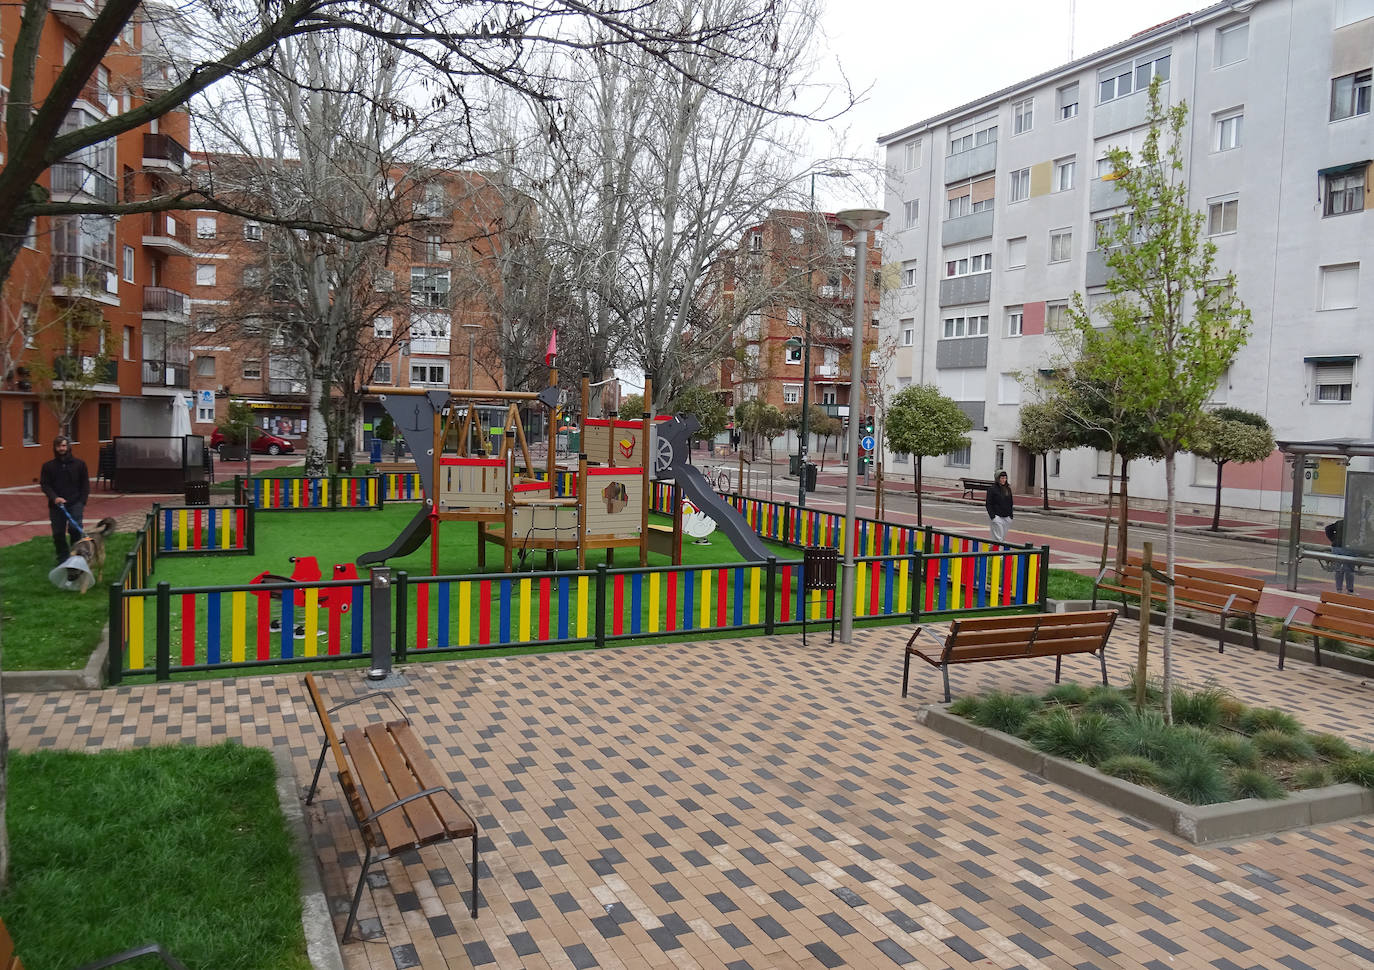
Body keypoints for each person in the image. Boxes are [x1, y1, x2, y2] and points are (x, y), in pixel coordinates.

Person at [40, 434, 90, 564]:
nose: (61, 448)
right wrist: (55, 498)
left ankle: (76, 557)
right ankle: (62, 558)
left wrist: (81, 502)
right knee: (58, 534)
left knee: (75, 530)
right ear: (55, 448)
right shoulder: (48, 466)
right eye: (59, 446)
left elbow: (85, 484)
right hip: (56, 506)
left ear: (68, 447)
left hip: (75, 503)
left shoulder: (80, 464)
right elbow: (45, 485)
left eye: (63, 445)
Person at [1325, 519, 1356, 593]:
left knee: (1338, 569)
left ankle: (1339, 589)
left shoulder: (1340, 522)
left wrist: (1333, 539)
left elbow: (1328, 529)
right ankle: (1350, 589)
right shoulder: (1356, 524)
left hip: (1337, 547)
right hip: (1349, 548)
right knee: (1349, 569)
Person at [985, 470, 1014, 544]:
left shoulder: (1008, 489)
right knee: (999, 537)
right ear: (997, 479)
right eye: (1002, 478)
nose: (1003, 480)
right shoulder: (992, 489)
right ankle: (1000, 554)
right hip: (997, 516)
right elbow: (988, 504)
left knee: (1002, 537)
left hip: (1006, 517)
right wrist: (993, 516)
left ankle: (991, 550)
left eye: (1005, 478)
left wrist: (1011, 516)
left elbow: (1010, 502)